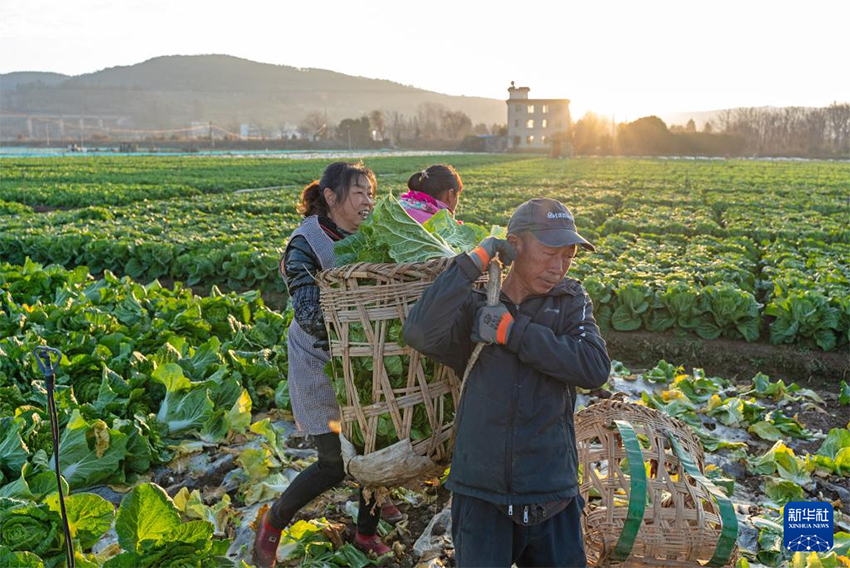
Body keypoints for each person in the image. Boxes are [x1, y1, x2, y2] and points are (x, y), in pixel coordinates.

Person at [403, 198, 611, 567]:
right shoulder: (476, 303)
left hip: (551, 491)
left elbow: (593, 367)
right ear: (515, 245)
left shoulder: (569, 301)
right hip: (481, 492)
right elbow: (420, 332)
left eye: (568, 256)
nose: (558, 267)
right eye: (549, 252)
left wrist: (513, 332)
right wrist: (475, 259)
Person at [253, 162, 397, 567]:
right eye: (359, 193)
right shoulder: (307, 242)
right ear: (331, 197)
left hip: (367, 358)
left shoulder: (370, 237)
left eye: (371, 192)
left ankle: (366, 533)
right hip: (320, 362)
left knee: (373, 452)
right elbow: (309, 313)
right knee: (333, 463)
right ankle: (273, 523)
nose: (368, 201)